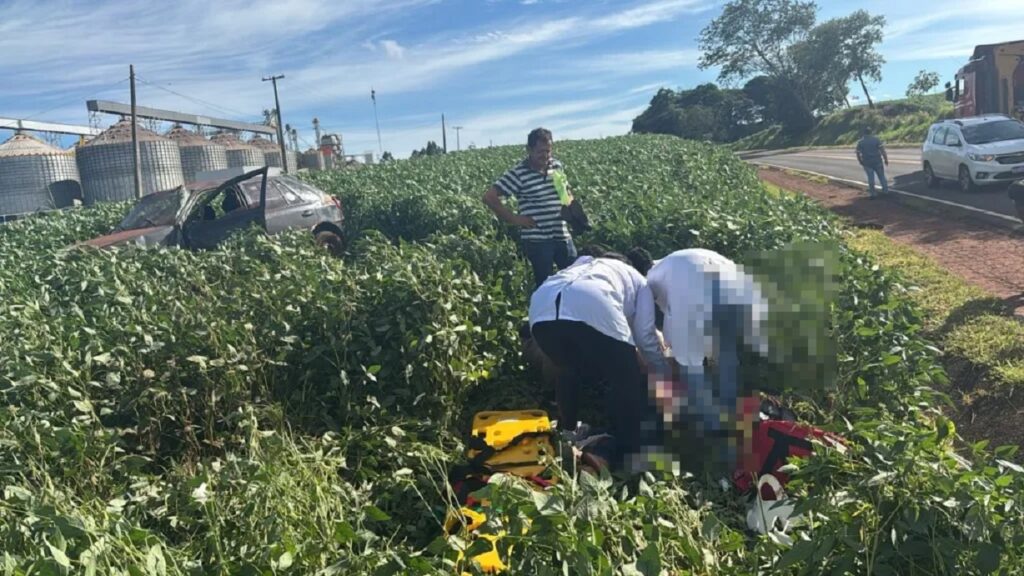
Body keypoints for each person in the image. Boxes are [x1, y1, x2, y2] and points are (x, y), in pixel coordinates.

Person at [527, 251, 669, 471]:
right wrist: (661, 373)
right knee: (627, 381)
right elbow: (645, 336)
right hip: (594, 303)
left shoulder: (583, 264)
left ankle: (569, 432)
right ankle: (625, 455)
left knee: (567, 368)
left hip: (541, 309)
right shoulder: (639, 281)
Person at [644, 248, 770, 473]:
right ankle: (735, 418)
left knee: (691, 369)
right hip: (739, 293)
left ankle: (716, 433)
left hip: (696, 299)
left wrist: (672, 357)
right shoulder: (677, 259)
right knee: (727, 358)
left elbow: (669, 320)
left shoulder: (651, 278)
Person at [483, 128, 577, 290]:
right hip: (538, 239)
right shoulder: (518, 173)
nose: (545, 156)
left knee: (575, 278)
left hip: (562, 233)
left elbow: (565, 191)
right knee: (546, 287)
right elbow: (489, 197)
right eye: (541, 151)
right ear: (529, 150)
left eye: (548, 151)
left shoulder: (556, 166)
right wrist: (514, 219)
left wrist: (573, 209)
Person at [856, 126, 889, 198]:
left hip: (867, 162)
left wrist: (860, 161)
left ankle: (873, 193)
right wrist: (886, 159)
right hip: (877, 161)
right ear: (871, 132)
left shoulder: (860, 142)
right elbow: (882, 150)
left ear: (863, 133)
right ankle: (885, 191)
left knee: (871, 178)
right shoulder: (876, 140)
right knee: (882, 176)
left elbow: (858, 153)